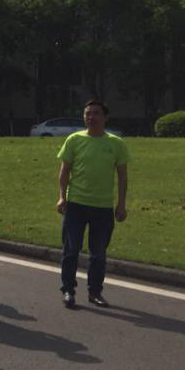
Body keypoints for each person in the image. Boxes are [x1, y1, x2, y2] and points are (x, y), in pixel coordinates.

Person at [56, 99, 128, 309]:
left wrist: (121, 204)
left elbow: (122, 177)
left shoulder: (116, 143)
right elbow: (64, 171)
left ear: (105, 117)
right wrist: (62, 196)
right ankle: (68, 290)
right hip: (76, 204)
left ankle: (95, 292)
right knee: (71, 250)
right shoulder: (74, 140)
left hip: (103, 207)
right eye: (88, 113)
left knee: (98, 254)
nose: (91, 117)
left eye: (96, 113)